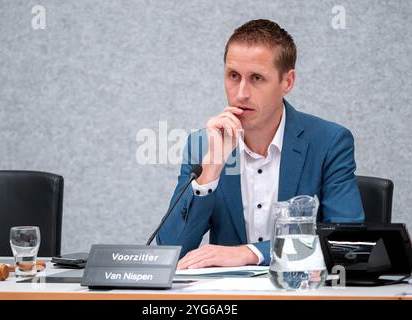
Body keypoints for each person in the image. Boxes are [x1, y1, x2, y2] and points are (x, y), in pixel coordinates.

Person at [156, 19, 364, 269]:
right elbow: (171, 249)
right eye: (234, 76)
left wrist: (251, 253)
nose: (241, 92)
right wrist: (211, 169)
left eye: (256, 78)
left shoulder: (329, 141)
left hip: (299, 291)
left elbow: (347, 240)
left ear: (287, 82)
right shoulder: (203, 144)